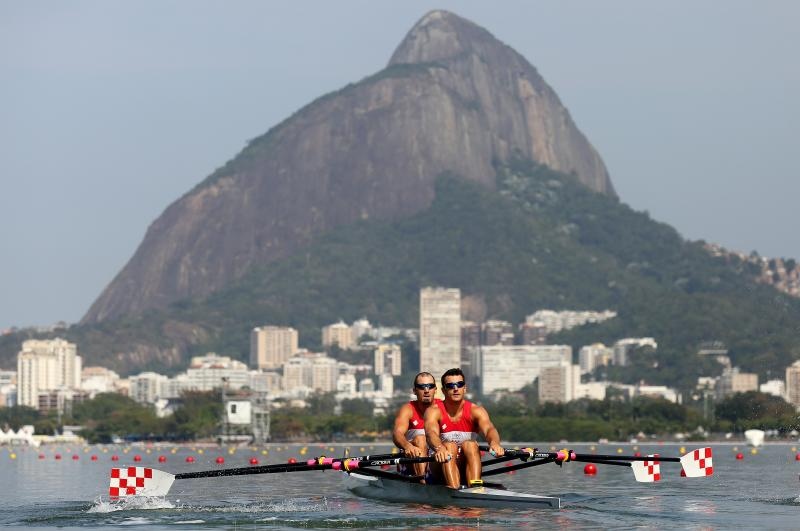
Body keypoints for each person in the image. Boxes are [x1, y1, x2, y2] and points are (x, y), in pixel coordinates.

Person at [424, 368, 504, 488]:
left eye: (460, 384)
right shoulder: (433, 411)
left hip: (463, 466)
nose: (456, 388)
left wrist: (494, 443)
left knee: (470, 444)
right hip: (438, 468)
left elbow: (489, 430)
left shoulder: (476, 411)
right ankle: (454, 490)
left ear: (465, 388)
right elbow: (431, 433)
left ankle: (475, 487)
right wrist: (439, 448)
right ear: (443, 390)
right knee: (450, 446)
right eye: (450, 386)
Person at [391, 371, 439, 479]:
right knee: (421, 439)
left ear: (435, 389)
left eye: (430, 386)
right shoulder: (407, 409)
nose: (426, 390)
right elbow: (397, 434)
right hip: (411, 461)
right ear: (414, 391)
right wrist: (407, 446)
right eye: (422, 387)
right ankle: (422, 482)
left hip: (434, 461)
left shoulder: (442, 408)